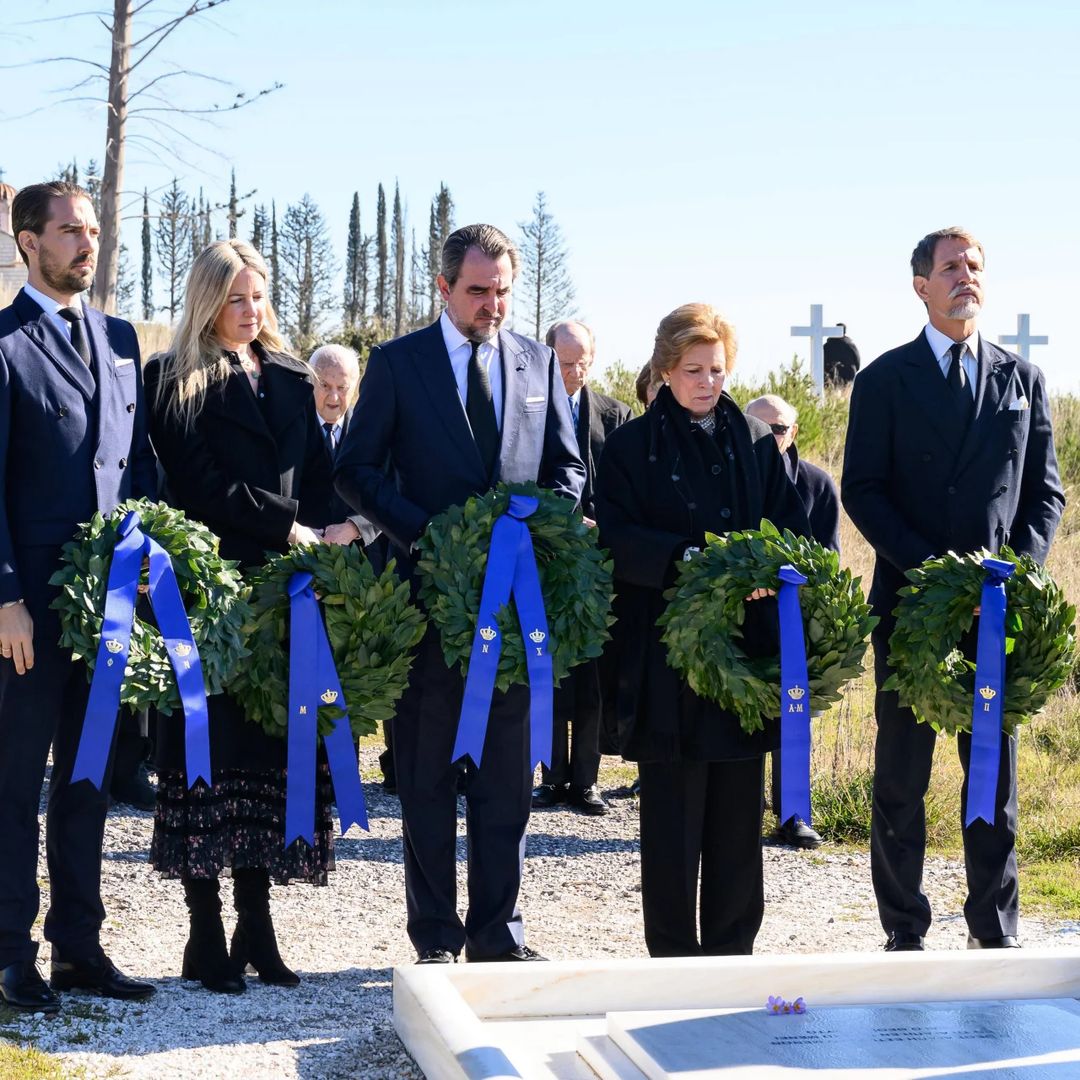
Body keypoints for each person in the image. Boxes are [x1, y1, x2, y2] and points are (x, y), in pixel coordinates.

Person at [335, 223, 585, 964]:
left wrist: (537, 527)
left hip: (513, 608)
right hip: (426, 604)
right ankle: (436, 936)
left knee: (506, 781)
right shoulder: (399, 364)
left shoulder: (539, 364)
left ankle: (498, 934)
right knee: (428, 776)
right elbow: (355, 469)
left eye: (503, 290)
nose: (493, 305)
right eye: (478, 291)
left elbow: (568, 471)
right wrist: (430, 537)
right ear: (443, 288)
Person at [842, 227, 1064, 953]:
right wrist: (940, 579)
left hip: (998, 611)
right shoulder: (883, 380)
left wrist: (1013, 574)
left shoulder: (1021, 380)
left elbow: (1045, 496)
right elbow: (864, 493)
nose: (966, 276)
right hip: (913, 608)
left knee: (992, 778)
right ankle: (904, 926)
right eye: (951, 267)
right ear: (921, 286)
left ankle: (992, 929)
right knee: (903, 773)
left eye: (975, 266)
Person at [144, 238, 338, 993]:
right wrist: (287, 522)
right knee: (206, 756)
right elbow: (198, 483)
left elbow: (320, 477)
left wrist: (331, 527)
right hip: (210, 589)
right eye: (235, 299)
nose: (249, 311)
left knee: (268, 754)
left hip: (284, 592)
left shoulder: (292, 377)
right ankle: (203, 930)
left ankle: (256, 925)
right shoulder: (174, 378)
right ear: (206, 301)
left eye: (258, 297)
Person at [595, 303, 809, 957]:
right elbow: (615, 535)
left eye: (717, 370)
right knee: (672, 821)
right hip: (665, 660)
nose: (707, 382)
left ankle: (731, 956)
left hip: (742, 655)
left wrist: (771, 569)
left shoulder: (753, 439)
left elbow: (790, 524)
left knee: (738, 818)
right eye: (693, 370)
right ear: (665, 369)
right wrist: (685, 559)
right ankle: (671, 959)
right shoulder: (631, 445)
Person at [0, 180, 157, 1012]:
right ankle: (7, 955)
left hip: (109, 607)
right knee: (15, 783)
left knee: (89, 779)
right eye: (68, 231)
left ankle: (78, 947)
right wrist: (5, 598)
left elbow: (138, 470)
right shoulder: (3, 343)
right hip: (25, 614)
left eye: (92, 230)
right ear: (28, 242)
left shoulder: (124, 339)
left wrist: (151, 558)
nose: (86, 244)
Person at [532, 320, 632, 816]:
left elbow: (630, 486)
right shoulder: (526, 407)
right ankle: (550, 777)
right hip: (545, 558)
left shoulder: (615, 414)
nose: (575, 371)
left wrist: (602, 525)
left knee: (592, 672)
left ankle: (586, 782)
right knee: (547, 668)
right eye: (566, 363)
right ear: (548, 359)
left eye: (583, 361)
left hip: (599, 561)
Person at [745, 393, 840, 850]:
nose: (771, 437)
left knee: (793, 713)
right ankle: (740, 812)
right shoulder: (734, 480)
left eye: (779, 429)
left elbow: (830, 558)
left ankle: (793, 812)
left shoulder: (818, 485)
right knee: (740, 714)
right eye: (760, 429)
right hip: (739, 615)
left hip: (794, 618)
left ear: (794, 433)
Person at [309, 344, 395, 790]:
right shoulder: (295, 431)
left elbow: (388, 494)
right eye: (325, 385)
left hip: (359, 574)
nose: (334, 396)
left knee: (350, 673)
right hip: (301, 573)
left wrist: (356, 527)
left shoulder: (369, 434)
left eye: (343, 387)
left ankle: (345, 775)